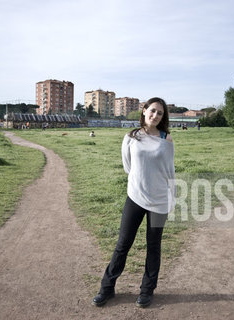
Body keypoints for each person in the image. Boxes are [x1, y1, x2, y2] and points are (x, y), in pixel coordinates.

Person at [92, 97, 176, 308]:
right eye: (153, 111)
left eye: (160, 113)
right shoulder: (131, 137)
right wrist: (140, 184)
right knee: (123, 244)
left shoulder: (167, 139)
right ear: (145, 110)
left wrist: (171, 198)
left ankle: (147, 291)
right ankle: (107, 288)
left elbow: (169, 172)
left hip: (159, 202)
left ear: (163, 117)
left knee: (153, 247)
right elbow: (128, 167)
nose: (155, 115)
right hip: (136, 198)